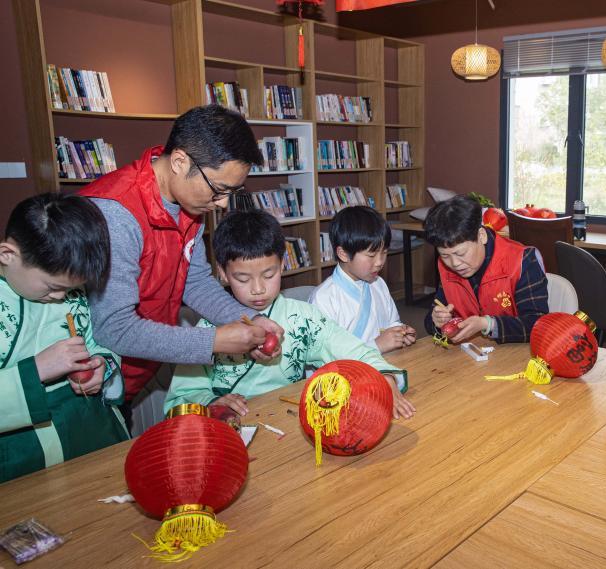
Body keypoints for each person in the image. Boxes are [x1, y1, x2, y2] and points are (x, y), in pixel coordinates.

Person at [81, 105, 283, 419]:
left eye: (232, 191)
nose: (223, 203)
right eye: (219, 189)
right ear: (179, 161)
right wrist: (215, 341)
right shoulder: (115, 215)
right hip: (87, 381)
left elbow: (196, 281)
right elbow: (114, 329)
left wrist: (248, 319)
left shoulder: (191, 201)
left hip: (132, 372)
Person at [164, 210, 415, 419]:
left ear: (283, 265)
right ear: (222, 273)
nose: (258, 288)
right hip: (229, 430)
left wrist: (384, 376)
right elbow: (182, 396)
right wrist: (212, 402)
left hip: (288, 418)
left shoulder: (303, 318)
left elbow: (350, 349)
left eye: (269, 274)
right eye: (242, 278)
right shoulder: (208, 328)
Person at [0, 194, 128, 482]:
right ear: (8, 255)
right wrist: (37, 370)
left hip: (91, 430)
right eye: (52, 286)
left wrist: (102, 367)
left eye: (71, 288)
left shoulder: (70, 287)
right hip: (21, 455)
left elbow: (101, 342)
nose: (61, 297)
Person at [423, 195, 548, 343]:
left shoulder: (522, 260)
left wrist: (487, 324)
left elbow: (537, 324)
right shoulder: (446, 266)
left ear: (481, 236)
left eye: (461, 253)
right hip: (473, 355)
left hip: (516, 356)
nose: (454, 263)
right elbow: (433, 315)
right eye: (444, 255)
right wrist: (437, 321)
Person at [310, 206, 415, 353]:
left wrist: (400, 332)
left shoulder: (378, 283)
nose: (379, 262)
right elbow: (323, 356)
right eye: (371, 255)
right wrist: (376, 346)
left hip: (383, 363)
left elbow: (391, 322)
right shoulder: (323, 298)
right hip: (342, 374)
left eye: (384, 252)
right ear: (344, 254)